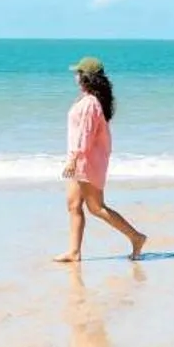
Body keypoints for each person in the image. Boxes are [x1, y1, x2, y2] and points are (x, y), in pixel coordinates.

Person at [56, 56, 147, 262]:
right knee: (73, 205)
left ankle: (136, 237)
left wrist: (73, 159)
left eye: (78, 73)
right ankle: (74, 252)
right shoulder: (88, 99)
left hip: (86, 160)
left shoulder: (90, 103)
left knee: (96, 207)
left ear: (86, 77)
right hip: (80, 158)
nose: (75, 77)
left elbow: (84, 136)